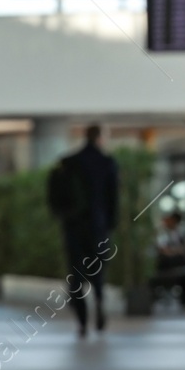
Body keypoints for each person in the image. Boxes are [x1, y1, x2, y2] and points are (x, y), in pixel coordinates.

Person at [47, 124, 120, 338]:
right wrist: (110, 225)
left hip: (73, 226)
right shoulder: (107, 163)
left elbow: (55, 195)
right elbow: (113, 199)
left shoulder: (68, 163)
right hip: (98, 226)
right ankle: (98, 300)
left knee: (76, 272)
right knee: (98, 270)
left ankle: (81, 321)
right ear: (101, 138)